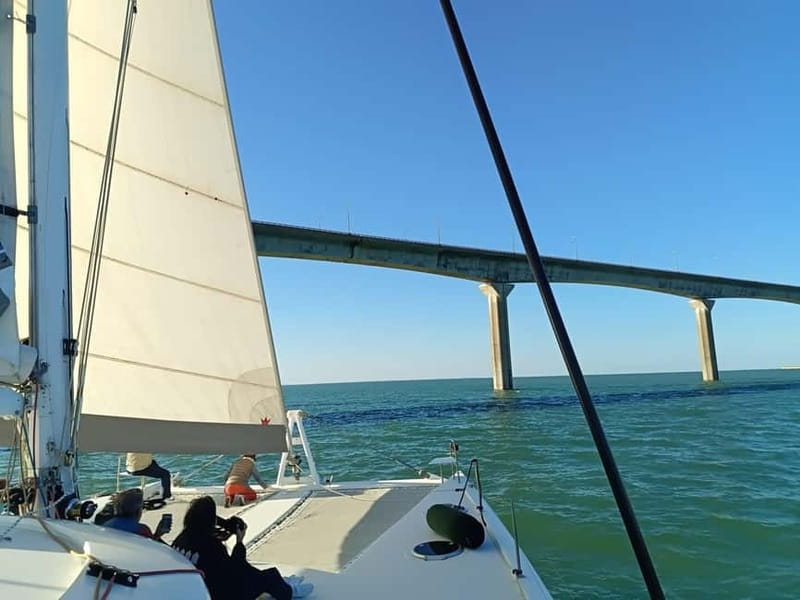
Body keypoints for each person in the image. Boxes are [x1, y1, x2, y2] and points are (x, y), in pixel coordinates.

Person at [172, 496, 312, 599]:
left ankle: (281, 582)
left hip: (199, 588)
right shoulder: (211, 545)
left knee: (252, 573)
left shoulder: (180, 539)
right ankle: (289, 591)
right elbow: (235, 568)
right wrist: (239, 541)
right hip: (220, 593)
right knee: (267, 577)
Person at [100, 488, 171, 541]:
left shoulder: (106, 525)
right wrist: (158, 534)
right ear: (137, 510)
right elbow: (151, 549)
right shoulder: (142, 530)